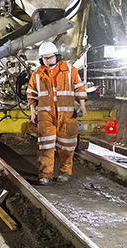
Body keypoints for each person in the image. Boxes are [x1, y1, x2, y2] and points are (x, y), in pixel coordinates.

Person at [27, 41, 87, 185]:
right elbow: (31, 93)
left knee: (67, 146)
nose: (49, 61)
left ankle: (65, 172)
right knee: (46, 146)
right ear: (41, 59)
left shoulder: (70, 70)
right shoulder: (37, 73)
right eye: (45, 58)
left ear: (57, 56)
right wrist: (33, 112)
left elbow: (79, 87)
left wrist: (82, 105)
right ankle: (45, 175)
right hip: (46, 115)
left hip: (67, 115)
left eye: (51, 57)